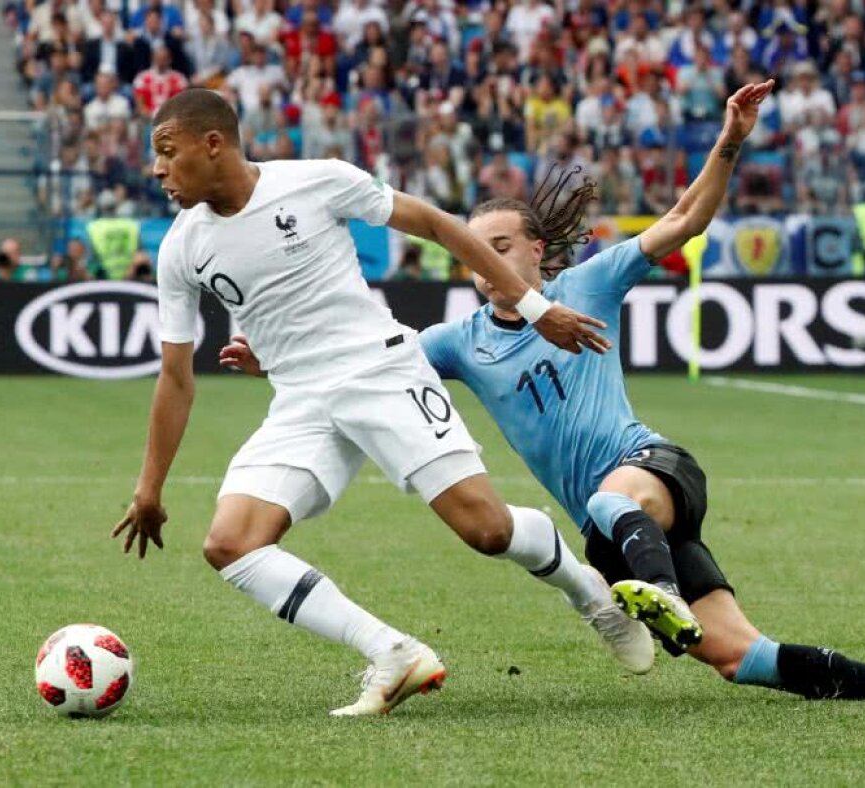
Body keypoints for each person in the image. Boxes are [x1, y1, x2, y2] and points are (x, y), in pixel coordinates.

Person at [225, 80, 865, 704]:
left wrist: (729, 140)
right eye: (476, 254)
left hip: (651, 472)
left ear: (538, 250)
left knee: (613, 501)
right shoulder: (457, 341)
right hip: (614, 540)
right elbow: (369, 367)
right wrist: (278, 359)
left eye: (502, 247)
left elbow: (684, 218)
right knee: (740, 656)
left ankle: (659, 597)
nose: (486, 265)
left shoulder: (587, 284)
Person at [111, 89, 653, 718]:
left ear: (213, 144)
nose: (157, 169)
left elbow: (438, 225)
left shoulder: (316, 181)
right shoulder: (180, 249)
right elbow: (175, 376)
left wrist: (534, 308)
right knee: (231, 543)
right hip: (300, 398)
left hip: (381, 370)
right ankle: (392, 652)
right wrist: (149, 488)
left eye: (167, 151)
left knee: (488, 531)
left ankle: (589, 593)